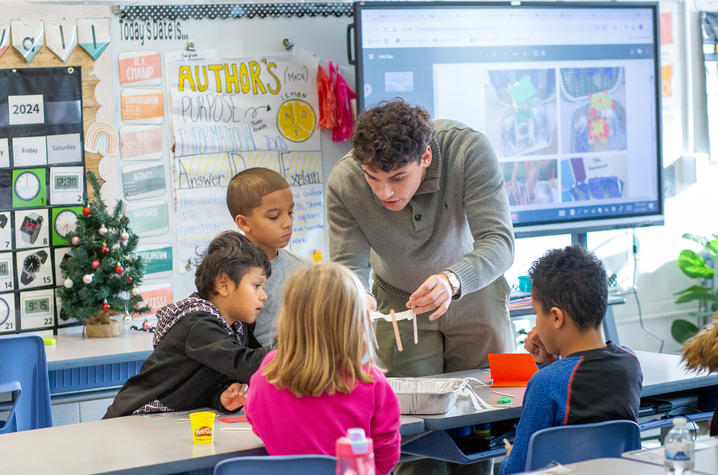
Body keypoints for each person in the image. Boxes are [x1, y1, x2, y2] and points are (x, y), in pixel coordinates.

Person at [244, 263, 401, 475]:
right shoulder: (370, 381)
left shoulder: (269, 370)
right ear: (354, 323)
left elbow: (256, 423)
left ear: (289, 317)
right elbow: (386, 457)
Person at [499, 245, 643, 474]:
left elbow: (517, 470)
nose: (535, 323)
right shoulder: (630, 363)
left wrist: (507, 458)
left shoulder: (545, 383)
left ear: (556, 317)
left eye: (537, 313)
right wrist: (549, 363)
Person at [103, 231, 271, 418]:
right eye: (257, 285)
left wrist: (220, 397)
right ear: (224, 285)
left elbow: (200, 382)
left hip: (173, 419)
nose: (263, 295)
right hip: (136, 418)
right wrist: (295, 348)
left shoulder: (238, 327)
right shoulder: (197, 324)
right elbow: (243, 363)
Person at [226, 167, 310, 347]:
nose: (287, 223)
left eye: (290, 212)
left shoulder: (305, 270)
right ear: (243, 223)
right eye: (274, 217)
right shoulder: (230, 278)